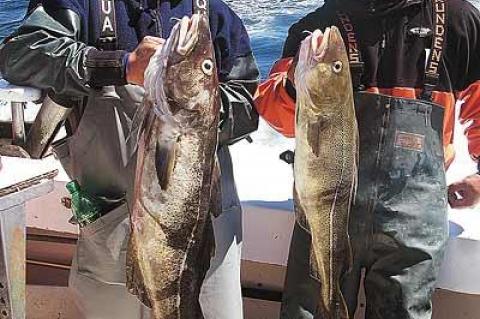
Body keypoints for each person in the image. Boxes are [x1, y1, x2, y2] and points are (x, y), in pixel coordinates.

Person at [0, 0, 259, 318]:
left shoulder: (214, 12)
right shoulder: (81, 5)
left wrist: (194, 107)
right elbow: (21, 55)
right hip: (111, 228)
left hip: (205, 222)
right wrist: (120, 66)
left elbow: (249, 103)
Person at [255, 0, 480, 318]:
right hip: (328, 206)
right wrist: (294, 84)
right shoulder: (320, 26)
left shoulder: (459, 20)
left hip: (416, 217)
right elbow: (275, 114)